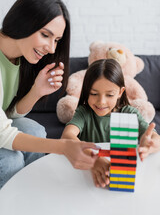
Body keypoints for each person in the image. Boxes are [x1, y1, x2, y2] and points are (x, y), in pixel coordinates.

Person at [0, 0, 99, 189]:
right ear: (24, 21)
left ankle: (33, 192)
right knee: (11, 161)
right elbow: (3, 133)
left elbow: (7, 114)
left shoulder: (18, 57)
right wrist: (63, 147)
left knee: (35, 130)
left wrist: (37, 90)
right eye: (45, 35)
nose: (52, 49)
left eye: (56, 40)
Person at [61, 59, 160, 188]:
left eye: (109, 95)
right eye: (94, 93)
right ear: (86, 91)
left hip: (122, 178)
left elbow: (154, 138)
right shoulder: (84, 112)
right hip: (87, 179)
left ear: (120, 92)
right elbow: (67, 136)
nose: (101, 102)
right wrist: (94, 158)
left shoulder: (129, 113)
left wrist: (151, 144)